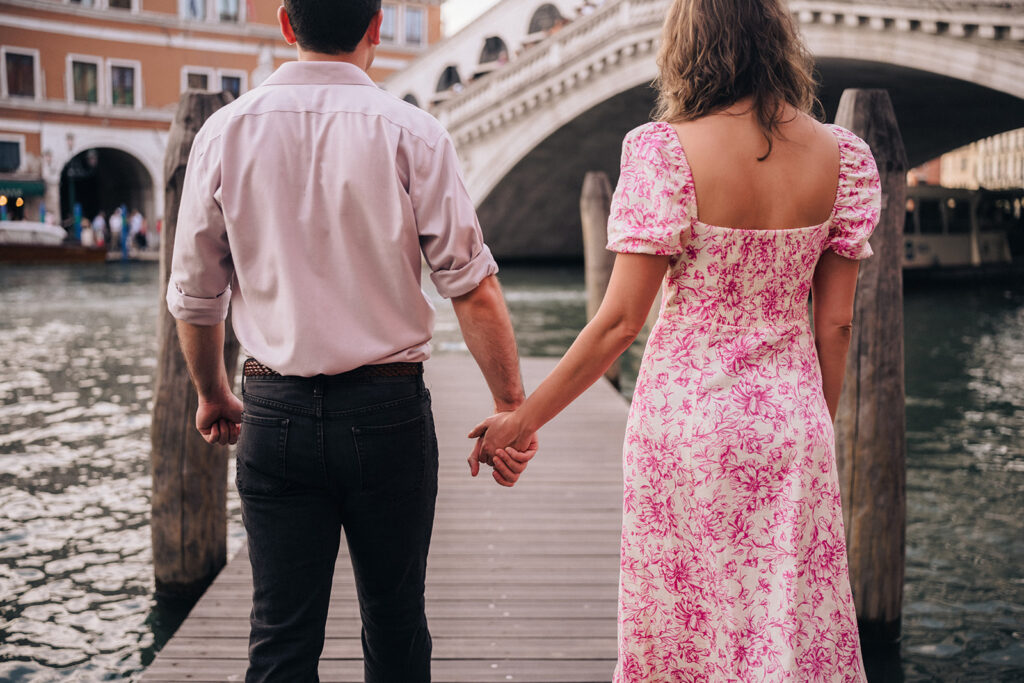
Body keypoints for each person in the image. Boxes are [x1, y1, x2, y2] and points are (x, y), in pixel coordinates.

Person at [470, 0, 881, 679]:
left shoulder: (663, 151)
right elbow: (834, 322)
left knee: (689, 629)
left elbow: (620, 322)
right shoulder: (847, 159)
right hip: (791, 425)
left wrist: (522, 418)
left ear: (689, 45)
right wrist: (812, 422)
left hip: (685, 430)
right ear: (778, 40)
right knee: (781, 626)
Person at [166, 1, 535, 681]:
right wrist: (512, 405)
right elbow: (471, 287)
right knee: (396, 624)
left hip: (273, 415)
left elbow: (196, 296)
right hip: (387, 415)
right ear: (375, 28)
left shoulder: (223, 133)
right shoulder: (414, 133)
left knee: (280, 636)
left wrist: (213, 394)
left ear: (285, 24)